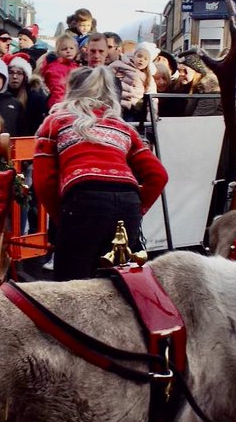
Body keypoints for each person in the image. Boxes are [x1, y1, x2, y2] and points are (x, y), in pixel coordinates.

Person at [32, 66, 167, 281]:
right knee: (118, 285)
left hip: (82, 199)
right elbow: (158, 175)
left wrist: (62, 218)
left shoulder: (54, 122)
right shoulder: (123, 127)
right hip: (127, 202)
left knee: (71, 286)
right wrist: (136, 209)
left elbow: (44, 183)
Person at [4, 55, 48, 136]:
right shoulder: (2, 96)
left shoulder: (35, 97)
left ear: (25, 76)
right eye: (11, 73)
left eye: (19, 73)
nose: (14, 77)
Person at [175, 51, 222, 116]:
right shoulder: (185, 86)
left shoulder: (209, 87)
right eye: (179, 70)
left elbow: (201, 116)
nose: (181, 74)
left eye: (185, 71)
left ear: (196, 70)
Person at [41, 34, 80, 107]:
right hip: (60, 105)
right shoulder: (55, 68)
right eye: (64, 49)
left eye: (71, 48)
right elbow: (58, 90)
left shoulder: (75, 66)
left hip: (72, 104)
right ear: (58, 52)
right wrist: (61, 107)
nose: (68, 51)